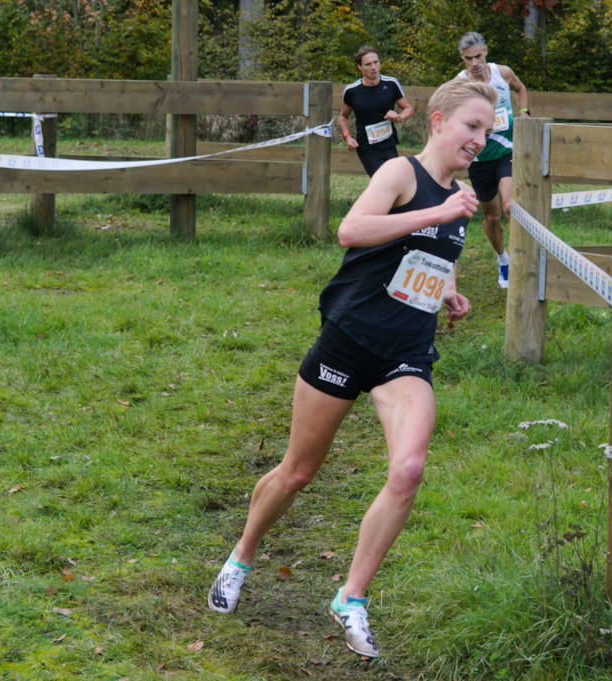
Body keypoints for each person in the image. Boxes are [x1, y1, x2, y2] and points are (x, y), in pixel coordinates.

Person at [208, 79, 498, 659]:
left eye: (488, 133)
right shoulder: (398, 174)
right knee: (298, 472)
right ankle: (241, 555)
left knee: (410, 469)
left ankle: (352, 597)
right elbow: (352, 231)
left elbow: (433, 258)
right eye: (473, 127)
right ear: (437, 121)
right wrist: (435, 212)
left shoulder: (460, 199)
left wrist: (448, 293)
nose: (480, 140)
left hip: (405, 354)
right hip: (347, 340)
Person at [453, 31, 530, 289]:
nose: (474, 63)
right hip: (480, 157)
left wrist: (523, 112)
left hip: (507, 149)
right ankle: (503, 259)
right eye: (468, 59)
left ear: (485, 50)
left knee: (510, 206)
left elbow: (520, 88)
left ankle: (522, 260)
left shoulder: (502, 73)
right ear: (462, 59)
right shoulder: (459, 84)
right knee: (493, 216)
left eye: (477, 56)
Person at [337, 45, 414, 177]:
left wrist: (398, 117)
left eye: (376, 62)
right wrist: (347, 137)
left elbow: (408, 108)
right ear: (360, 67)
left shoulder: (391, 83)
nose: (373, 67)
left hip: (389, 143)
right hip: (367, 147)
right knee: (382, 179)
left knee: (395, 180)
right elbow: (343, 117)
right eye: (368, 64)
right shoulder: (352, 91)